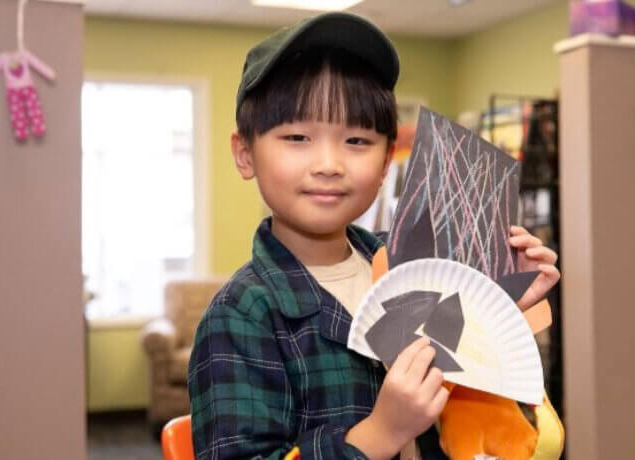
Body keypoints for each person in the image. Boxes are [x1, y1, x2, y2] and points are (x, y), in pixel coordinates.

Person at [187, 12, 560, 460]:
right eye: (298, 136)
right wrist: (380, 433)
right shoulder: (241, 317)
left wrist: (498, 301)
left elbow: (486, 424)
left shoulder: (414, 265)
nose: (329, 163)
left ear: (386, 163)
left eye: (357, 141)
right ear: (245, 154)